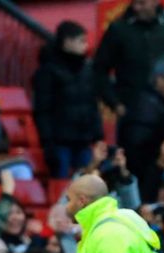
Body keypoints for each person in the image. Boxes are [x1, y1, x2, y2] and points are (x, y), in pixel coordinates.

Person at [93, 0, 164, 119]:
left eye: (142, 3)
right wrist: (115, 103)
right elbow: (99, 70)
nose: (137, 8)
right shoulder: (118, 30)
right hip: (131, 111)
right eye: (134, 3)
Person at [33, 21, 103, 179]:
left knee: (88, 185)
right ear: (67, 42)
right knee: (61, 186)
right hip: (59, 142)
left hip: (83, 140)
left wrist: (98, 135)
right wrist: (47, 141)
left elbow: (92, 105)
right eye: (81, 41)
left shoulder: (87, 70)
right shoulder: (48, 71)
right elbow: (42, 109)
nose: (86, 45)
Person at [118, 54, 164, 202]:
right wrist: (161, 160)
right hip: (143, 189)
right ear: (160, 79)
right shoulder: (146, 109)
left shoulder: (161, 105)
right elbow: (136, 156)